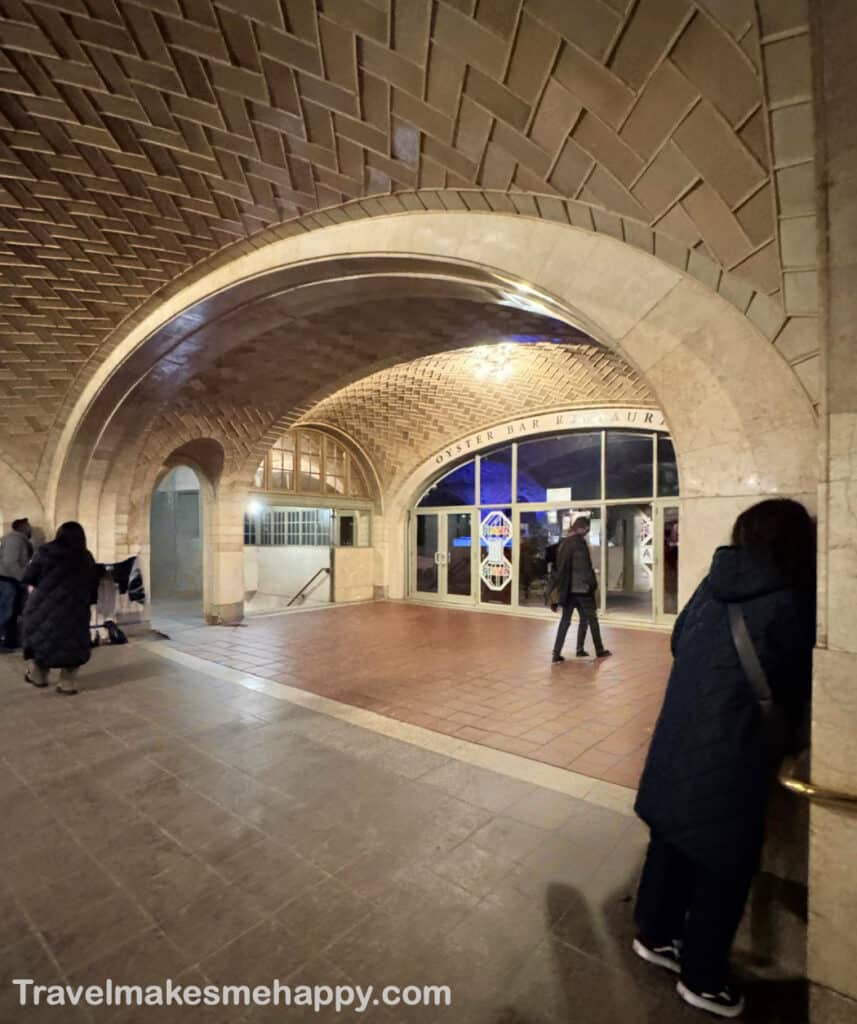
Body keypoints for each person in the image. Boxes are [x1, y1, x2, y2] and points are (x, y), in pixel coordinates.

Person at [632, 499, 816, 1018]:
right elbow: (798, 679)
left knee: (670, 839)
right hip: (734, 747)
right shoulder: (791, 602)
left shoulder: (711, 584)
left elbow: (678, 640)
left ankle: (654, 934)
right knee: (725, 864)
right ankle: (703, 976)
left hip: (679, 732)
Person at [21, 521, 97, 695]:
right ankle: (67, 683)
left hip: (43, 607)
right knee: (73, 644)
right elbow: (93, 584)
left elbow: (28, 576)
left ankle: (38, 677)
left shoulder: (45, 551)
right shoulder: (85, 556)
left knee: (43, 640)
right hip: (75, 609)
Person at [550, 516, 611, 663]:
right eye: (587, 529)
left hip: (568, 590)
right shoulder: (579, 544)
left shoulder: (563, 543)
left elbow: (558, 567)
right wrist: (592, 584)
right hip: (582, 590)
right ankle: (598, 649)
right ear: (582, 528)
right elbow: (585, 568)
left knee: (565, 621)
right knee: (591, 619)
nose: (587, 532)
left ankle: (557, 653)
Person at [0, 518, 33, 650]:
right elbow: (10, 563)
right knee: (5, 613)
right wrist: (23, 579)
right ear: (22, 527)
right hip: (8, 580)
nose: (30, 529)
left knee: (10, 613)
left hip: (10, 580)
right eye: (28, 526)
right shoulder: (15, 540)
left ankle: (10, 642)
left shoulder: (18, 540)